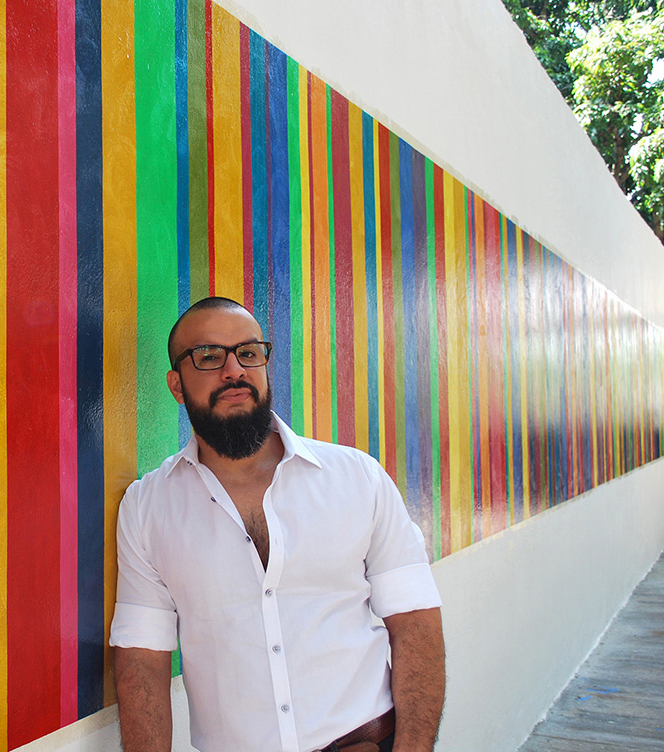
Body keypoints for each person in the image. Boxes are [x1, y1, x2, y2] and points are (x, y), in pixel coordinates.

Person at [110, 296, 445, 752]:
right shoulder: (147, 507)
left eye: (248, 353)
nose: (234, 371)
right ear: (176, 384)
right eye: (209, 356)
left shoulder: (356, 477)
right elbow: (141, 658)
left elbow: (415, 623)